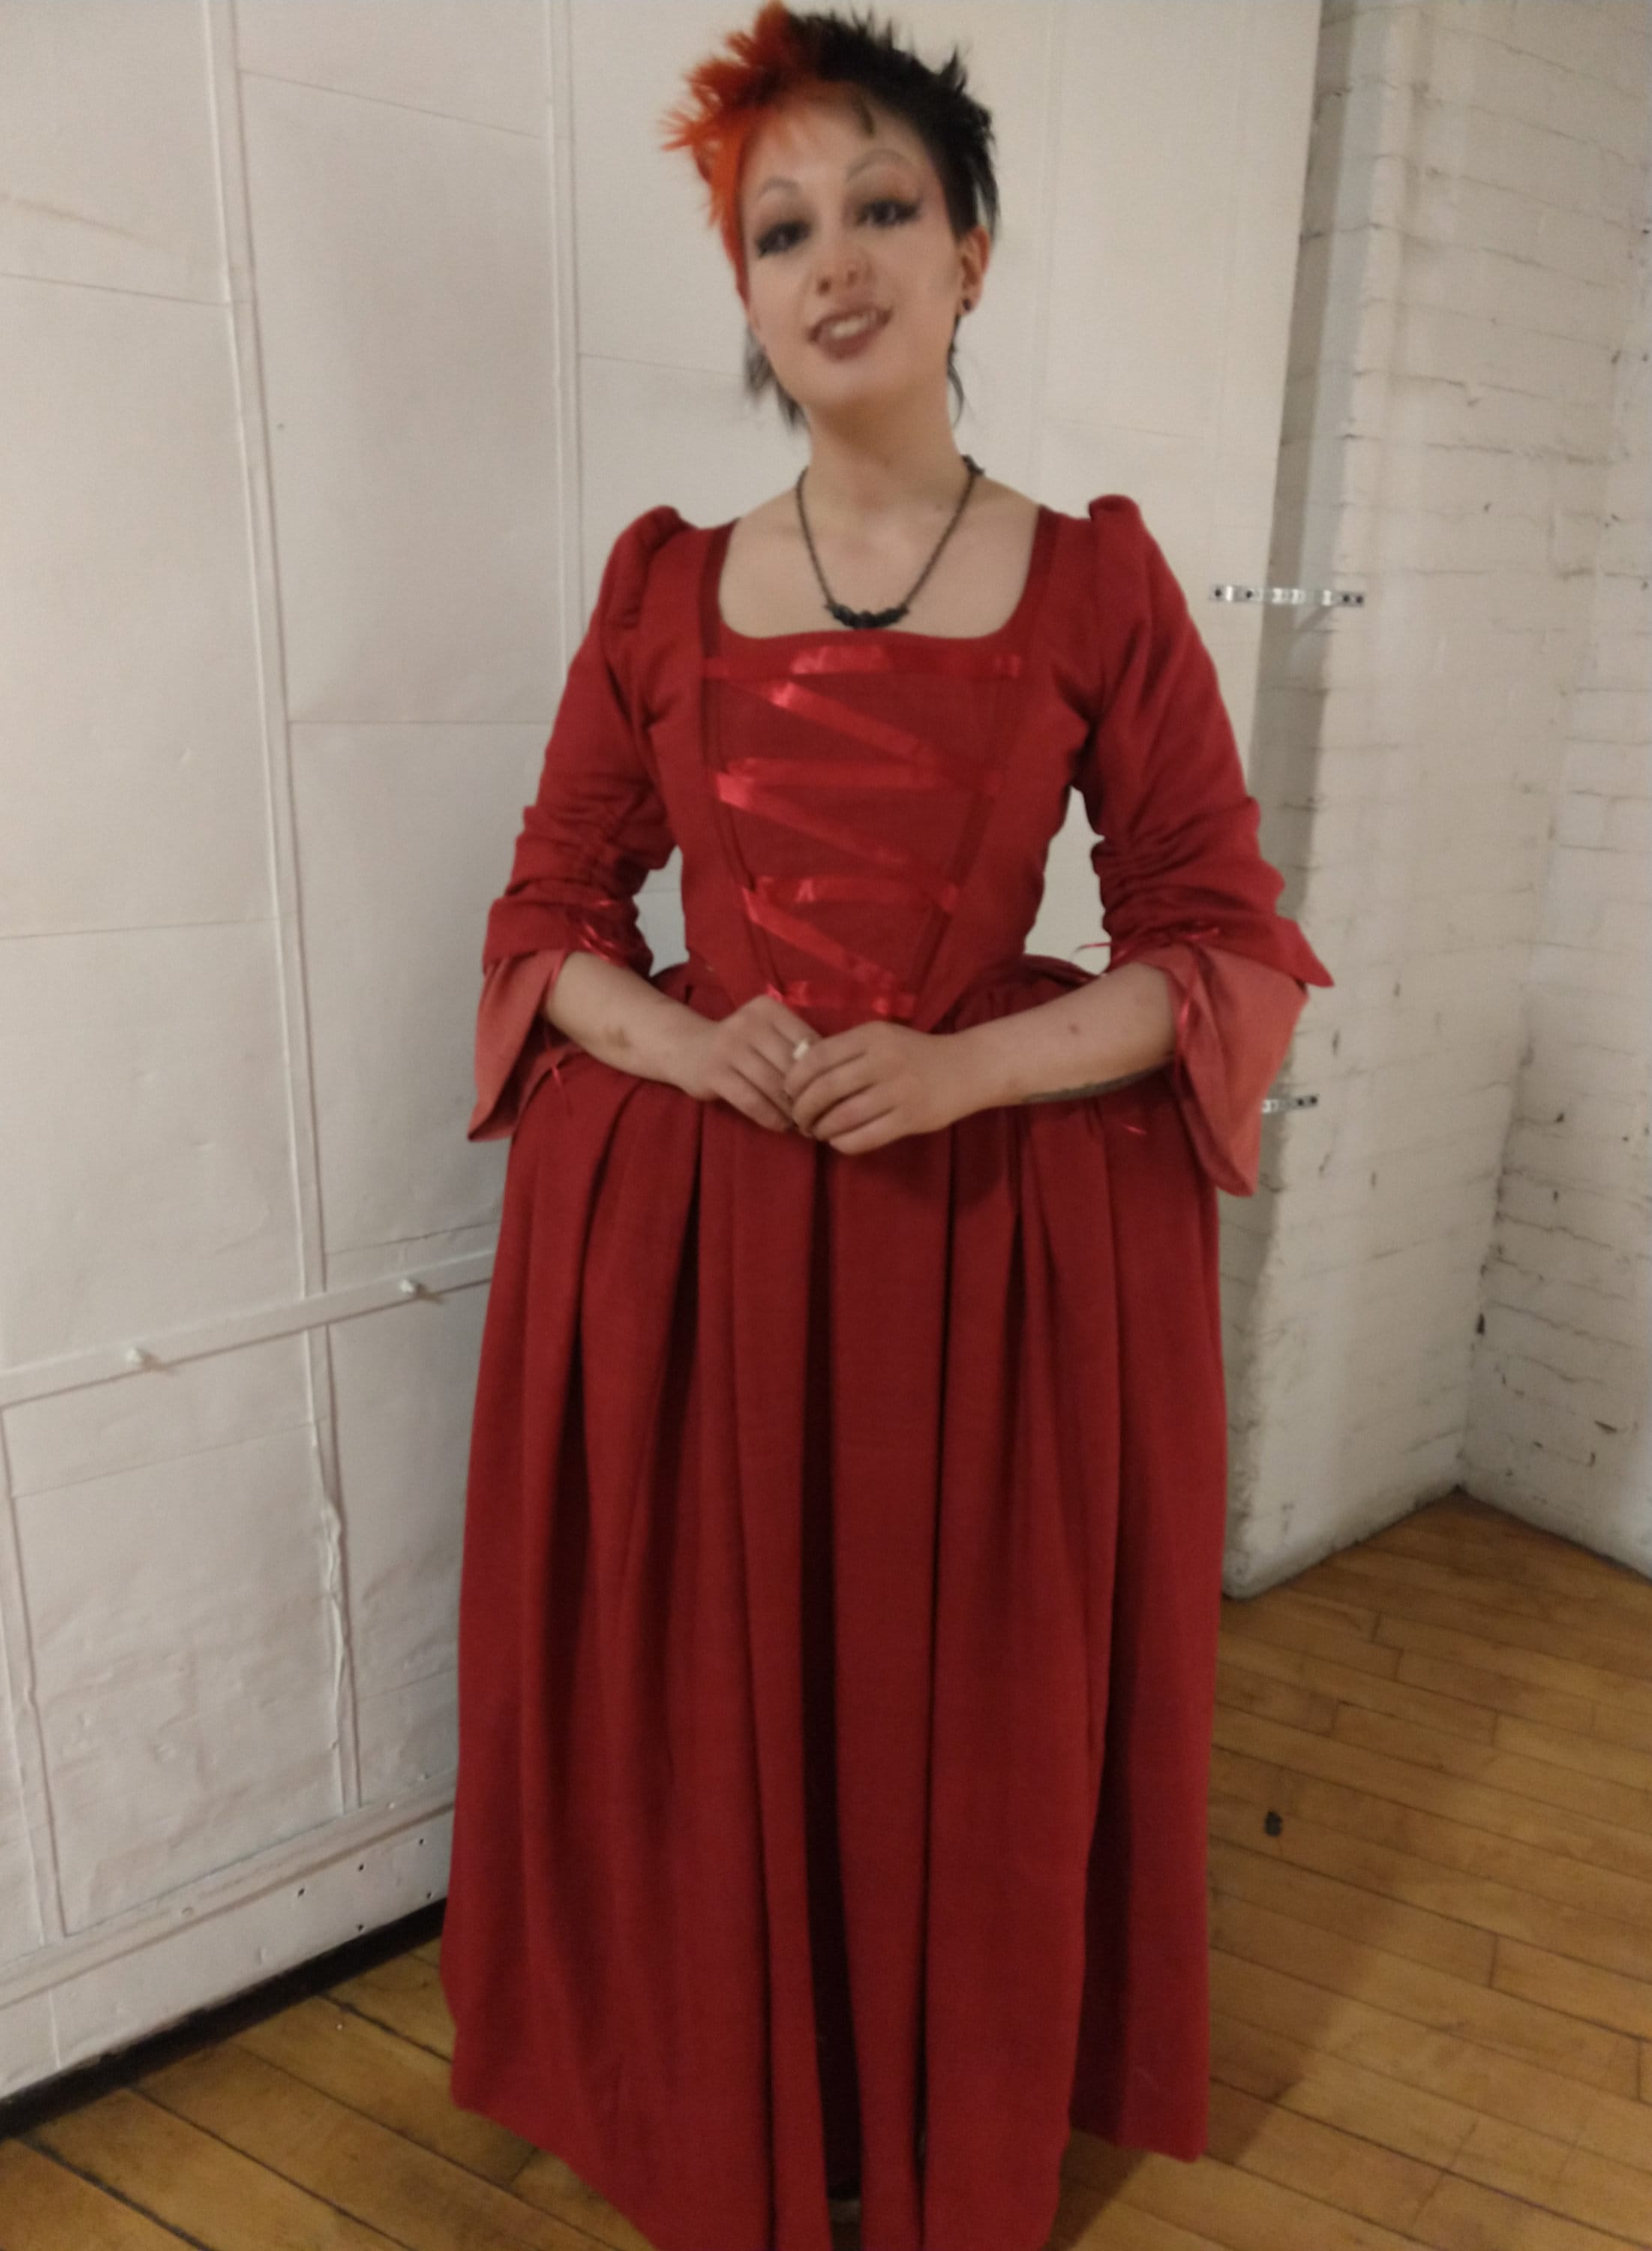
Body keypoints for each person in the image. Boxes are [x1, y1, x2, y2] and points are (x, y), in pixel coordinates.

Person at [438, 7, 1334, 2249]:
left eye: (881, 208)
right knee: (722, 1692)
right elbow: (548, 918)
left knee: (949, 1709)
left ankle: (931, 2106)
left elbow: (1215, 938)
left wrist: (963, 1069)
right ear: (745, 294)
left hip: (970, 1249)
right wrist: (683, 1045)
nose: (832, 261)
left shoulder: (1096, 578)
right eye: (780, 231)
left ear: (968, 255)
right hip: (714, 1258)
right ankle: (734, 2097)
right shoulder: (661, 583)